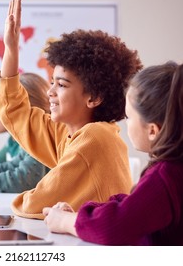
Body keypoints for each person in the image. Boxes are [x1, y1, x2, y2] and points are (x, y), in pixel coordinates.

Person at [0, 0, 143, 219]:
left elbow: (34, 203)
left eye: (62, 85)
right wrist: (11, 49)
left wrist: (15, 201)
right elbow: (14, 112)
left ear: (94, 97)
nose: (50, 91)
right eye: (52, 82)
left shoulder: (94, 138)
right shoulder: (71, 131)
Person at [43, 62, 183, 245]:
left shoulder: (165, 176)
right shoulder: (172, 170)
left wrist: (65, 222)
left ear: (152, 131)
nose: (126, 124)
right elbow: (135, 207)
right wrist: (81, 216)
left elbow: (114, 226)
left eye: (129, 117)